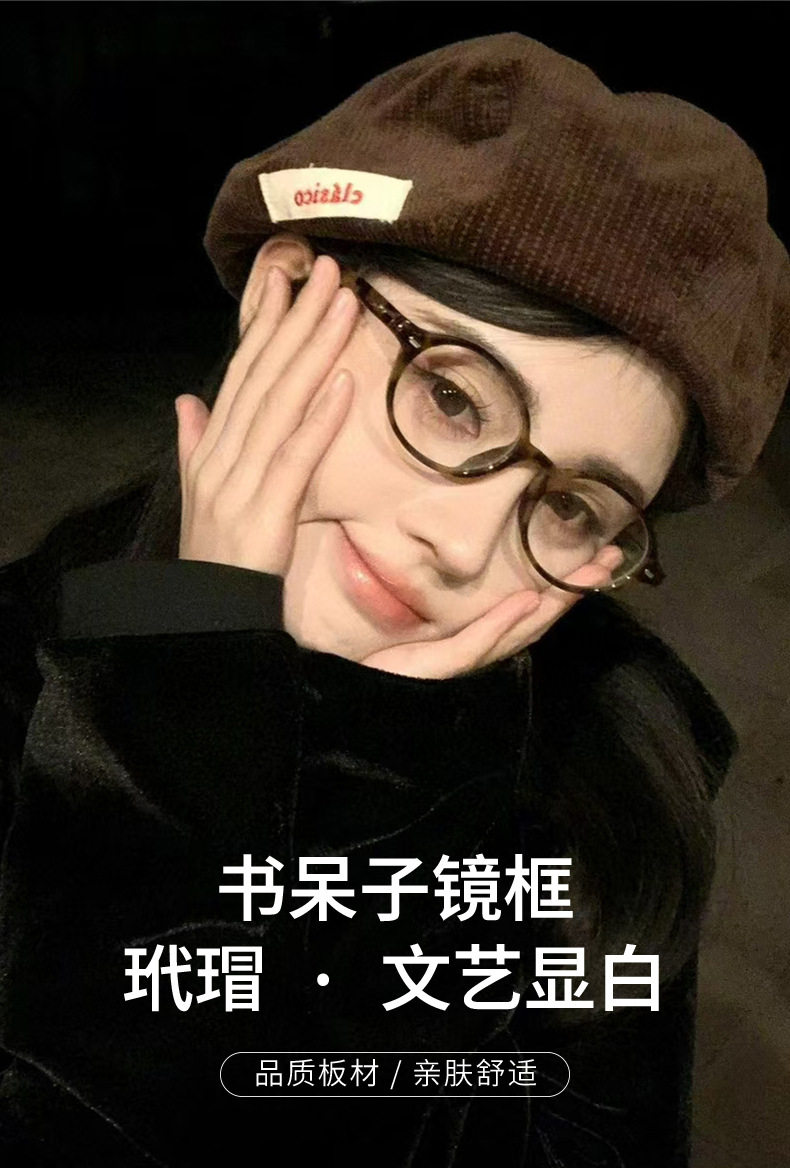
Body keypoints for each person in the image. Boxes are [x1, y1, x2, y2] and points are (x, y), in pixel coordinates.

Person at [0, 31, 787, 1168]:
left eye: (573, 506)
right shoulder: (23, 667)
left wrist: (391, 786)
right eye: (453, 399)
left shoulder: (624, 802)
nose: (463, 545)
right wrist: (175, 700)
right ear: (282, 296)